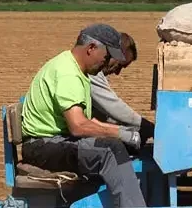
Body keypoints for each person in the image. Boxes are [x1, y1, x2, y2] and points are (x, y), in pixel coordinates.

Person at [19, 23, 145, 207]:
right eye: (107, 56)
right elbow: (78, 126)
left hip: (53, 142)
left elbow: (88, 121)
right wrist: (120, 133)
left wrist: (124, 132)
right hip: (42, 145)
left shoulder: (76, 69)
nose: (107, 62)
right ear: (91, 48)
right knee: (110, 150)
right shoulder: (68, 74)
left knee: (114, 146)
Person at [89, 33, 153, 151]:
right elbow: (112, 106)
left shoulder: (95, 71)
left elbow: (103, 114)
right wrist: (145, 126)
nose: (117, 72)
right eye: (119, 65)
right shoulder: (90, 72)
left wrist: (130, 129)